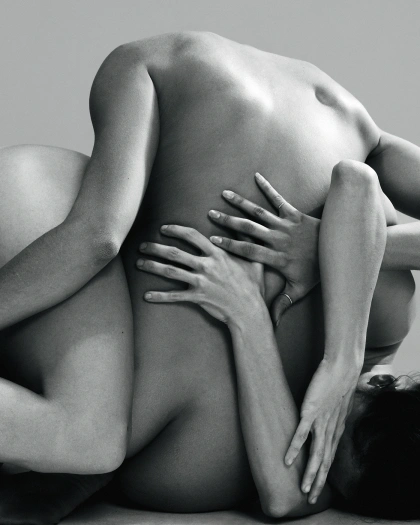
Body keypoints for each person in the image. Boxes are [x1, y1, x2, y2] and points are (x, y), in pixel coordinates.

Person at [0, 31, 419, 521]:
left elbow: (100, 237)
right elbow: (97, 239)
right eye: (324, 438)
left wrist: (314, 267)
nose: (315, 435)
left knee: (90, 442)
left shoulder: (342, 119)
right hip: (40, 207)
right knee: (88, 440)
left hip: (44, 201)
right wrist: (339, 351)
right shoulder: (379, 292)